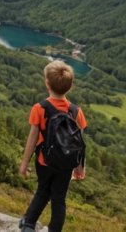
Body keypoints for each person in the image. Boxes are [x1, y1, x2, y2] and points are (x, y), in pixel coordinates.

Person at [18, 60, 87, 232]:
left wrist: (24, 164)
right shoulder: (76, 111)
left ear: (47, 83)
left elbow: (32, 139)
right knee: (59, 199)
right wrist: (79, 167)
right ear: (70, 87)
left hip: (44, 161)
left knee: (43, 191)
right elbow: (79, 142)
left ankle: (28, 224)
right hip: (66, 164)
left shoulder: (40, 108)